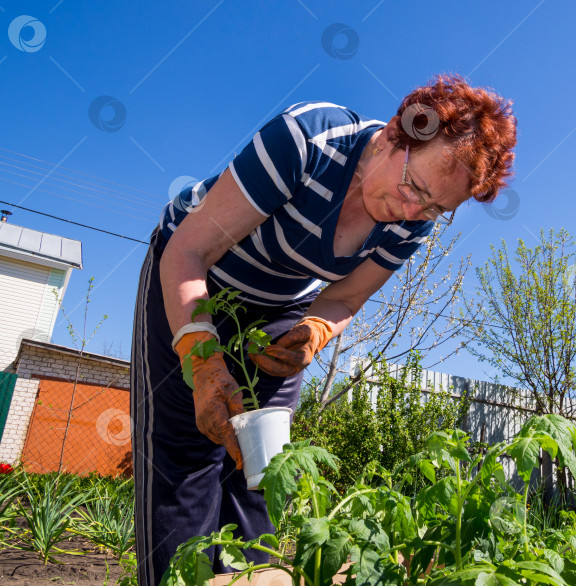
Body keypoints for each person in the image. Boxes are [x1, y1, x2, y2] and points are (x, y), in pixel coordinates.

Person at [130, 73, 517, 585]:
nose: (411, 212)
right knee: (186, 456)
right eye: (414, 189)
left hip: (279, 309)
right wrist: (203, 362)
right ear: (400, 133)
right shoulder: (308, 142)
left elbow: (345, 296)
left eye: (434, 209)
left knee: (263, 468)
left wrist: (314, 329)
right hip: (197, 285)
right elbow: (189, 252)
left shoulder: (413, 220)